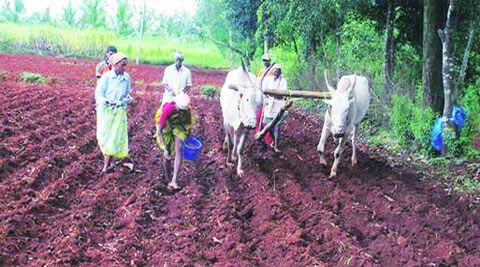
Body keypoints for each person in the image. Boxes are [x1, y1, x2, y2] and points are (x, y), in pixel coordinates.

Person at [95, 52, 132, 174]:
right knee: (103, 137)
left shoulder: (126, 78)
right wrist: (106, 101)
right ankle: (111, 161)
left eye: (125, 65)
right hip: (106, 111)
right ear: (115, 65)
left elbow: (127, 94)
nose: (124, 68)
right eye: (122, 65)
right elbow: (98, 94)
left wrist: (124, 101)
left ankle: (106, 166)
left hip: (119, 111)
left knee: (114, 137)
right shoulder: (106, 77)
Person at [155, 93, 195, 190]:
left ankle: (174, 180)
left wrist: (188, 139)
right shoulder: (168, 108)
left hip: (179, 126)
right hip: (167, 126)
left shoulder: (186, 111)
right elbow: (159, 131)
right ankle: (168, 177)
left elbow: (188, 125)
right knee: (167, 153)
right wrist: (164, 148)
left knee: (179, 149)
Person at [260, 65, 288, 153]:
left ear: (280, 72)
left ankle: (275, 145)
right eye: (275, 71)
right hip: (269, 103)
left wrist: (272, 93)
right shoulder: (268, 80)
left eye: (278, 71)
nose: (276, 73)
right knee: (266, 123)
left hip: (278, 105)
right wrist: (265, 99)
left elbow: (282, 93)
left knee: (277, 126)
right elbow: (264, 90)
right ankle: (271, 140)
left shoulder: (283, 81)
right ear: (273, 72)